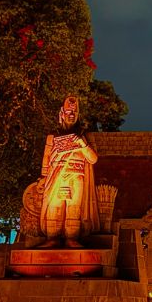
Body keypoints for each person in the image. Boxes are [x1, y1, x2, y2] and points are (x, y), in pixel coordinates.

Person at [37, 96, 98, 248]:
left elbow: (93, 159)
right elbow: (46, 158)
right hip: (56, 175)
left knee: (74, 207)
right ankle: (52, 238)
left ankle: (72, 238)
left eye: (74, 112)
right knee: (54, 206)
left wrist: (82, 144)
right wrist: (43, 177)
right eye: (68, 112)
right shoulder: (52, 136)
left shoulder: (85, 135)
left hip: (76, 175)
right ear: (62, 113)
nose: (71, 115)